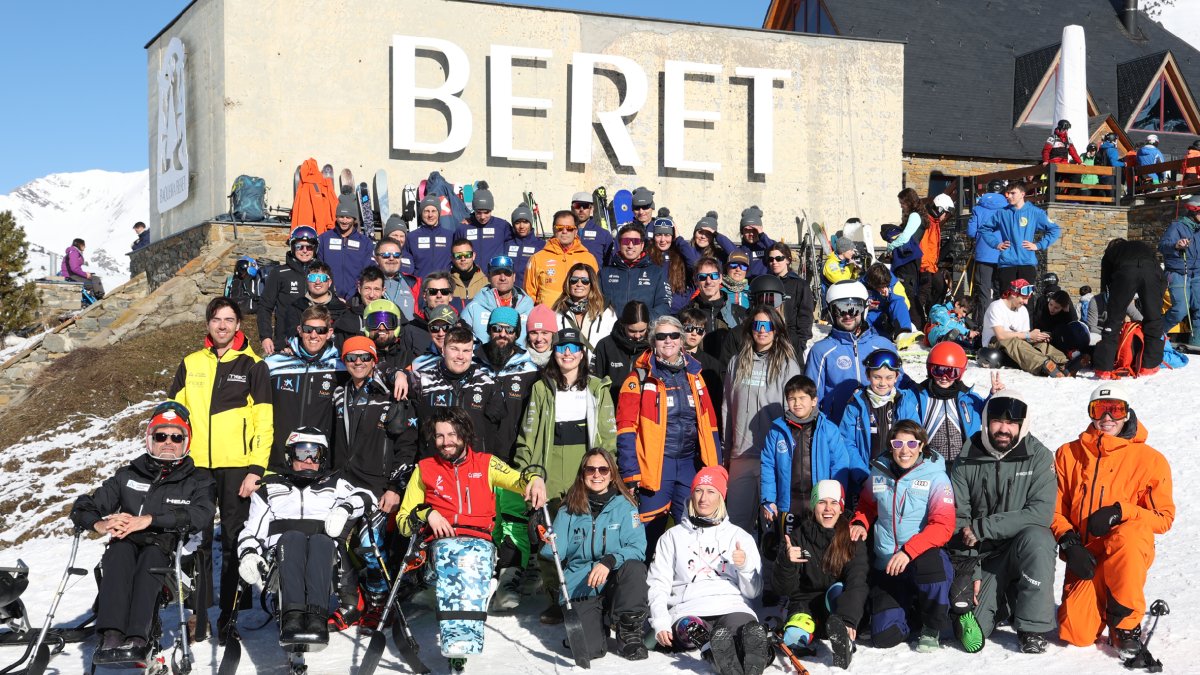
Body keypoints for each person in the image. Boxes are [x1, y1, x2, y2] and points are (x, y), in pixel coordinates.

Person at [395, 408, 547, 659]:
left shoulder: (486, 463)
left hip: (479, 544)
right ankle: (456, 636)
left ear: (465, 434)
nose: (446, 442)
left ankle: (465, 637)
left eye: (452, 434)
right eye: (440, 436)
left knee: (470, 555)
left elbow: (519, 480)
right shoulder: (425, 469)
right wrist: (426, 513)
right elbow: (403, 521)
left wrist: (535, 479)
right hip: (439, 548)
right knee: (453, 554)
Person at [72, 403, 215, 666]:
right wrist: (99, 525)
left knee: (150, 558)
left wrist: (149, 520)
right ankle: (111, 635)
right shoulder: (128, 475)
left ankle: (139, 637)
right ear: (150, 439)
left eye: (176, 437)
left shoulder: (199, 479)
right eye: (161, 436)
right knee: (118, 552)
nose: (168, 442)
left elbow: (201, 515)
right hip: (127, 542)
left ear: (186, 441)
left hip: (169, 548)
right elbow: (83, 505)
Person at [168, 297, 272, 642]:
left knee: (233, 542)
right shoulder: (190, 363)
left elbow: (264, 422)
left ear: (239, 325)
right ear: (208, 324)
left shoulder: (253, 365)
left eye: (229, 320)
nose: (223, 326)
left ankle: (230, 614)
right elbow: (173, 416)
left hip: (237, 467)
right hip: (195, 468)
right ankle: (200, 613)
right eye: (216, 320)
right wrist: (175, 461)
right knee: (196, 543)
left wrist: (256, 468)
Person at [1052, 385, 1174, 665]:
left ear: (1127, 413)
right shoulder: (1068, 454)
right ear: (1090, 413)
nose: (1107, 417)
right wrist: (1070, 543)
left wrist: (1122, 511)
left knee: (1131, 535)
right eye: (1099, 410)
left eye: (1116, 409)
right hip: (1086, 556)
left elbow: (1163, 518)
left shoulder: (1150, 460)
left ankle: (1126, 625)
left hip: (1124, 552)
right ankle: (1104, 602)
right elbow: (1054, 510)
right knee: (1075, 633)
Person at [514, 328, 618, 619]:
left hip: (585, 466)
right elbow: (527, 436)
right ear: (554, 353)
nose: (568, 354)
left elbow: (609, 437)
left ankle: (588, 595)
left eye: (574, 348)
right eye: (562, 348)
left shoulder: (597, 387)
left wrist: (606, 471)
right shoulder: (541, 387)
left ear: (583, 353)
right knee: (550, 534)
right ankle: (556, 597)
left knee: (587, 533)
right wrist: (531, 475)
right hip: (550, 466)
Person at [236, 428, 373, 645]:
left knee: (320, 541)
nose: (309, 460)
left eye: (315, 454)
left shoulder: (334, 483)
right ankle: (292, 616)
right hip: (281, 557)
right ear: (290, 456)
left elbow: (367, 497)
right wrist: (249, 553)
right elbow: (251, 530)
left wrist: (345, 508)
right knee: (293, 538)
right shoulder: (269, 488)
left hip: (324, 559)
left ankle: (316, 617)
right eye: (302, 453)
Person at [947, 391, 1057, 655]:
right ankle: (1004, 601)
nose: (1004, 429)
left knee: (1040, 538)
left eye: (1012, 423)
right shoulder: (966, 457)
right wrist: (968, 571)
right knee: (973, 630)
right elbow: (958, 518)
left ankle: (1032, 628)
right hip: (982, 555)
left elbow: (1041, 513)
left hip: (1021, 550)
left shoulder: (1039, 456)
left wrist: (985, 527)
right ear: (986, 421)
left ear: (1023, 425)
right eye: (997, 421)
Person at [646, 466, 770, 675]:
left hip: (730, 605)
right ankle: (717, 656)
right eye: (698, 490)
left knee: (746, 630)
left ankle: (752, 657)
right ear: (691, 494)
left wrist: (744, 566)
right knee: (692, 628)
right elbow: (658, 583)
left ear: (721, 497)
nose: (704, 498)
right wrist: (660, 620)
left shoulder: (739, 536)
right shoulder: (672, 537)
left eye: (711, 491)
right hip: (688, 610)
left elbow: (753, 592)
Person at [617, 315, 722, 555]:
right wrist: (630, 473)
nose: (668, 340)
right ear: (653, 341)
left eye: (674, 335)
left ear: (682, 340)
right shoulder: (639, 379)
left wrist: (714, 467)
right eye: (661, 336)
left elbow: (710, 424)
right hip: (655, 467)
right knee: (648, 535)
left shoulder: (695, 376)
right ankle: (644, 587)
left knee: (693, 531)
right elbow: (625, 428)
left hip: (689, 464)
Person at [850, 421, 955, 652]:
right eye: (898, 443)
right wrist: (860, 522)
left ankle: (932, 626)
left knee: (931, 567)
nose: (904, 450)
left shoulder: (936, 477)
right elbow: (867, 505)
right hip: (887, 563)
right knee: (884, 637)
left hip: (921, 560)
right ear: (890, 445)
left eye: (911, 443)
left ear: (921, 445)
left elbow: (943, 526)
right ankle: (912, 615)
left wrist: (908, 551)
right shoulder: (880, 472)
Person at [543, 449, 650, 660]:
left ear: (612, 474)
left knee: (635, 568)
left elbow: (638, 548)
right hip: (581, 585)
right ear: (582, 473)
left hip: (612, 580)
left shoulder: (626, 507)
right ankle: (595, 622)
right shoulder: (568, 510)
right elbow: (556, 553)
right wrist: (545, 539)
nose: (597, 474)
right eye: (590, 469)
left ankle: (629, 634)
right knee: (589, 650)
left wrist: (609, 560)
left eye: (603, 469)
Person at [772, 480, 867, 669]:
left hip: (838, 604)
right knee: (793, 637)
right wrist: (786, 562)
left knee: (839, 590)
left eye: (834, 503)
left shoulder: (852, 536)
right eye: (822, 502)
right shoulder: (797, 537)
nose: (828, 509)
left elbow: (857, 580)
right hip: (806, 604)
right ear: (814, 505)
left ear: (841, 508)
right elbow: (782, 588)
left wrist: (848, 618)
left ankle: (843, 638)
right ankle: (809, 633)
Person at [723, 305, 802, 534]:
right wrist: (727, 452)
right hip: (742, 455)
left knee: (772, 528)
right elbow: (727, 408)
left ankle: (768, 571)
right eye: (757, 325)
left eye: (768, 326)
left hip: (773, 458)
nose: (762, 331)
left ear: (776, 330)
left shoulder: (788, 364)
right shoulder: (736, 363)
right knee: (736, 526)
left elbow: (794, 412)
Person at [759, 375, 852, 525]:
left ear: (814, 401)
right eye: (792, 399)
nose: (797, 403)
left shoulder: (828, 429)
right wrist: (769, 499)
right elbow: (768, 465)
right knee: (788, 546)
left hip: (819, 504)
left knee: (817, 544)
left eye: (802, 398)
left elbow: (839, 464)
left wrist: (836, 500)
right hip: (788, 503)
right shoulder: (777, 430)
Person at [264, 305, 346, 471]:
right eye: (308, 329)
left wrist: (397, 374)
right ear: (300, 330)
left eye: (320, 330)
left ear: (329, 333)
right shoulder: (275, 363)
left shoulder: (341, 367)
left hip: (318, 462)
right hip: (277, 460)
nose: (313, 335)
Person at [804, 281, 897, 423]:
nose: (847, 315)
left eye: (854, 308)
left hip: (880, 427)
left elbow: (900, 385)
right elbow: (811, 397)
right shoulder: (821, 351)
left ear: (864, 308)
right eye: (839, 309)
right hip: (837, 429)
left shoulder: (883, 345)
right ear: (831, 312)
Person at [838, 348, 920, 491]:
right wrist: (862, 476)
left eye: (889, 377)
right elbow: (847, 442)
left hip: (899, 477)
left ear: (896, 377)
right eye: (877, 377)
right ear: (868, 376)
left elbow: (916, 438)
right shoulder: (856, 405)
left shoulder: (905, 403)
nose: (883, 383)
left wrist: (907, 473)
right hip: (865, 476)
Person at [1093, 238, 1166, 378]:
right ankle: (1149, 366)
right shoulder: (1143, 246)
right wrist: (1157, 300)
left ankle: (1104, 368)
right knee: (1154, 319)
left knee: (1114, 320)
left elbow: (1106, 283)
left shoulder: (1111, 253)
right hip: (1150, 271)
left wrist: (1113, 303)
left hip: (1125, 272)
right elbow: (1160, 276)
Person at [913, 342, 986, 465]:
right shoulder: (918, 397)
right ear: (930, 369)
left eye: (952, 372)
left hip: (962, 464)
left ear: (960, 373)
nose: (944, 377)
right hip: (930, 465)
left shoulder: (969, 399)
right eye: (938, 371)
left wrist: (994, 396)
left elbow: (989, 414)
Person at [980, 181, 1061, 292]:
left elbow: (1055, 229)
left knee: (1026, 300)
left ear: (1022, 194)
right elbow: (984, 229)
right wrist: (996, 244)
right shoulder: (1002, 213)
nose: (1008, 196)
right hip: (1007, 263)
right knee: (1006, 299)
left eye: (1013, 193)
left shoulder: (1035, 212)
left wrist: (1039, 245)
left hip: (1027, 262)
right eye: (1007, 193)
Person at [981, 278, 1070, 377]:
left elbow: (1025, 337)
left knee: (1039, 344)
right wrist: (1028, 335)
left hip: (1015, 345)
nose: (1026, 302)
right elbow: (1001, 335)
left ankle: (1065, 363)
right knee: (1014, 342)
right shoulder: (996, 307)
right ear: (1013, 294)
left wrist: (1037, 337)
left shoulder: (1022, 310)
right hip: (995, 344)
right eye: (1024, 298)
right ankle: (1045, 365)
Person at [259, 226, 318, 355]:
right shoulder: (280, 273)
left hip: (315, 341)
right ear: (292, 247)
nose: (304, 251)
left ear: (315, 249)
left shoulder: (321, 274)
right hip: (285, 342)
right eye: (299, 247)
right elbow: (265, 307)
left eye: (309, 247)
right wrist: (265, 336)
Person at [525, 209, 600, 307]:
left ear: (576, 231)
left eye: (569, 228)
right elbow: (529, 296)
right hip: (548, 317)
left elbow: (595, 292)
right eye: (560, 228)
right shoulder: (537, 258)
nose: (564, 231)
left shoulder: (589, 258)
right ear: (553, 229)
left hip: (579, 316)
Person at [682, 257, 747, 366]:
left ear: (720, 278)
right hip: (697, 376)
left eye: (714, 276)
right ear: (695, 281)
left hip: (729, 374)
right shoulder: (685, 314)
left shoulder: (740, 314)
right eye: (702, 277)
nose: (708, 281)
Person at [461, 254, 536, 345]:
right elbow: (460, 341)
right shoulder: (473, 308)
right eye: (497, 273)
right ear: (488, 276)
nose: (502, 278)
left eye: (507, 273)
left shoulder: (528, 308)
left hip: (519, 358)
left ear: (514, 277)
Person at [602, 222, 671, 320]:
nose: (630, 245)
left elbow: (664, 305)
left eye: (635, 241)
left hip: (645, 330)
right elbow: (596, 303)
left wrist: (642, 321)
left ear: (642, 245)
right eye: (626, 241)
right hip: (613, 332)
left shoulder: (656, 272)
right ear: (620, 243)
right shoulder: (605, 273)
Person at [1157, 194, 1200, 347]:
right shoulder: (1177, 226)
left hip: (1197, 274)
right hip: (1178, 273)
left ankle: (1196, 346)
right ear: (1194, 211)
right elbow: (1162, 246)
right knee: (1180, 310)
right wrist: (1176, 245)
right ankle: (1154, 336)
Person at [761, 244, 816, 361]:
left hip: (790, 340)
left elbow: (805, 315)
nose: (774, 262)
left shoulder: (800, 285)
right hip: (765, 337)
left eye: (779, 258)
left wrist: (800, 342)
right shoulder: (765, 283)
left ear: (788, 260)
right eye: (770, 259)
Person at [318, 194, 376, 301]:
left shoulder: (365, 243)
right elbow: (319, 269)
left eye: (348, 217)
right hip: (328, 296)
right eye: (341, 216)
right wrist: (331, 291)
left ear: (354, 219)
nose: (344, 221)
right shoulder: (323, 239)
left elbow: (367, 271)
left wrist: (352, 293)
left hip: (355, 297)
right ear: (336, 217)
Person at [278, 260, 348, 346]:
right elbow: (291, 334)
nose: (317, 282)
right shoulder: (296, 307)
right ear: (307, 281)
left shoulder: (342, 309)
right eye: (313, 278)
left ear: (329, 283)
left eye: (322, 278)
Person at [548, 261, 616, 350]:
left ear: (592, 284)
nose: (579, 284)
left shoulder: (605, 311)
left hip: (596, 363)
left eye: (585, 281)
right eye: (574, 280)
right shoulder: (557, 311)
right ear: (568, 283)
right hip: (567, 361)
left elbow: (614, 343)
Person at [593, 301, 651, 404]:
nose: (637, 336)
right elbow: (595, 381)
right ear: (623, 324)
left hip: (643, 410)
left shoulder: (653, 347)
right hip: (612, 408)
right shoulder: (606, 345)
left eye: (642, 331)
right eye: (632, 331)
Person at [967, 180, 1007, 321]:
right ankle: (1000, 322)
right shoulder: (1008, 209)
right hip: (1003, 254)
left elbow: (971, 232)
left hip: (984, 254)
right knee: (1000, 290)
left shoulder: (978, 208)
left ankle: (983, 324)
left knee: (984, 291)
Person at [887, 188, 926, 325]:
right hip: (909, 258)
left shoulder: (915, 216)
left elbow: (905, 237)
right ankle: (912, 322)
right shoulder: (916, 216)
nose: (901, 205)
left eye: (902, 202)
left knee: (906, 291)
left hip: (908, 259)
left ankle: (916, 323)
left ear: (909, 201)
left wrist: (891, 246)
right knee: (906, 290)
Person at [917, 194, 955, 323]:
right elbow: (924, 246)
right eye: (946, 213)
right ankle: (918, 320)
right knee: (924, 293)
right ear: (939, 209)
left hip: (932, 265)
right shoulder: (927, 221)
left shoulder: (935, 222)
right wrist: (925, 267)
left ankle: (932, 314)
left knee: (941, 287)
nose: (946, 216)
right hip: (925, 265)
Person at [454, 182, 511, 265]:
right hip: (471, 276)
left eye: (486, 212)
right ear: (474, 210)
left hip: (494, 275)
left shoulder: (502, 226)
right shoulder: (464, 228)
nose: (482, 217)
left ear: (491, 210)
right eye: (478, 212)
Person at [648, 216, 693, 311]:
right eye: (659, 235)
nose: (663, 240)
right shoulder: (647, 255)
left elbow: (695, 264)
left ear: (673, 237)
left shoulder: (680, 255)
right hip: (653, 311)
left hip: (676, 311)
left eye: (667, 235)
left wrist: (679, 239)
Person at [405, 194, 455, 278]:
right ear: (421, 213)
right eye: (426, 211)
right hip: (420, 286)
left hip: (443, 286)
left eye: (433, 211)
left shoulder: (450, 236)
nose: (430, 215)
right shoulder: (412, 237)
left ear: (438, 213)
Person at [864, 262, 913, 343]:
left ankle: (903, 333)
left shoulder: (894, 284)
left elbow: (905, 305)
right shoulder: (862, 284)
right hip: (872, 317)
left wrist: (889, 296)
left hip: (889, 317)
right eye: (881, 287)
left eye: (885, 286)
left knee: (898, 301)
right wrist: (867, 307)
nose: (884, 288)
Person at [374, 238, 418, 321]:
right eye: (386, 255)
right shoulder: (368, 283)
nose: (391, 258)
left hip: (408, 332)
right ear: (376, 259)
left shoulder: (413, 282)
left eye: (396, 255)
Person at [570, 191, 614, 266]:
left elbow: (609, 262)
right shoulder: (565, 232)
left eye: (585, 206)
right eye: (577, 206)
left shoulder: (603, 234)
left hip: (595, 276)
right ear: (572, 208)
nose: (581, 209)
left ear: (591, 209)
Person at [734, 206, 777, 277]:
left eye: (754, 230)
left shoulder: (766, 246)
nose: (751, 234)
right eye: (747, 231)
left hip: (765, 285)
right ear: (742, 232)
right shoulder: (740, 250)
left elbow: (777, 251)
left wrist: (762, 235)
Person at [506, 203, 542, 288]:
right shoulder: (507, 244)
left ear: (531, 223)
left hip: (530, 293)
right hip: (509, 292)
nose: (521, 226)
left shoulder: (541, 245)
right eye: (517, 222)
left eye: (525, 222)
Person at [524, 303, 557, 368]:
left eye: (545, 333)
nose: (539, 339)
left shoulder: (561, 363)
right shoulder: (519, 361)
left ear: (553, 335)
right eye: (534, 333)